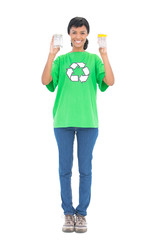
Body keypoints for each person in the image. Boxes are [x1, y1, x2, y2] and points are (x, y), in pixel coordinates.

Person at [41, 17, 114, 233]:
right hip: (62, 121)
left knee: (85, 170)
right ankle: (67, 212)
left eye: (82, 32)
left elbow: (109, 82)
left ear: (87, 35)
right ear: (69, 34)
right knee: (64, 170)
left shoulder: (94, 59)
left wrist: (105, 55)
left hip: (88, 122)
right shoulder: (61, 60)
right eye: (74, 32)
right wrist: (51, 55)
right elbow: (46, 81)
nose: (78, 37)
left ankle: (81, 214)